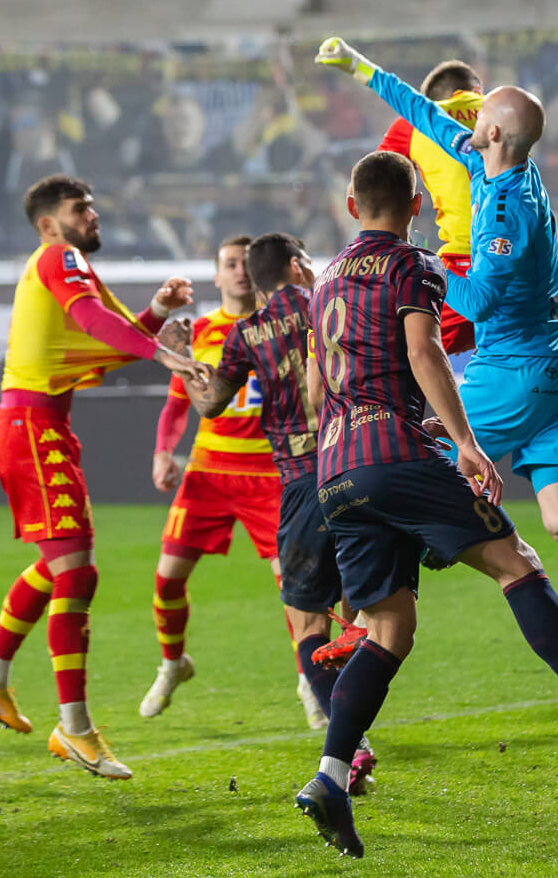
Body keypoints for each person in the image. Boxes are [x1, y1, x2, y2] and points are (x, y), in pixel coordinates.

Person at [291, 151, 558, 858]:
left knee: (389, 630)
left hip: (335, 467)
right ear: (415, 206)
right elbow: (424, 354)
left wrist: (409, 419)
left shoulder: (322, 282)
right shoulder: (412, 265)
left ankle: (328, 777)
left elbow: (328, 385)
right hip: (393, 454)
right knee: (516, 559)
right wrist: (466, 443)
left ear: (351, 208)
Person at [316, 36, 558, 602]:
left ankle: (370, 618)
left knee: (410, 464)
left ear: (492, 133)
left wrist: (427, 265)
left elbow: (483, 300)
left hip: (516, 369)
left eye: (480, 110)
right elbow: (423, 110)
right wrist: (359, 66)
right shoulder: (491, 158)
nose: (468, 114)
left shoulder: (506, 215)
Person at [0, 173, 205, 779]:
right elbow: (95, 324)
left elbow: (100, 330)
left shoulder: (63, 263)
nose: (92, 215)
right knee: (77, 572)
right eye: (79, 208)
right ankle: (74, 729)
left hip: (37, 427)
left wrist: (155, 315)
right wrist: (166, 351)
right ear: (49, 222)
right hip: (30, 430)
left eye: (92, 206)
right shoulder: (58, 257)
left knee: (57, 566)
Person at [181, 232, 379, 793]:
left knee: (309, 625)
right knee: (370, 615)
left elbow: (212, 404)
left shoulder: (245, 335)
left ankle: (351, 748)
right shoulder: (331, 301)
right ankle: (353, 723)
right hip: (360, 465)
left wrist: (183, 364)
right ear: (296, 267)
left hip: (299, 485)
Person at [143, 236, 319, 726]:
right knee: (167, 576)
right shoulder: (200, 331)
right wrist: (163, 451)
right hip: (209, 473)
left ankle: (309, 681)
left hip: (270, 473)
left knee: (294, 585)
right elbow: (179, 402)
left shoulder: (278, 326)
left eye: (245, 263)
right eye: (228, 265)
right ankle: (173, 662)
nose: (239, 271)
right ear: (217, 276)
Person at [375, 58, 483, 354]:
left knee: (411, 354)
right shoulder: (504, 108)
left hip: (465, 264)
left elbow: (373, 182)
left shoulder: (414, 122)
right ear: (476, 89)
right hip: (527, 259)